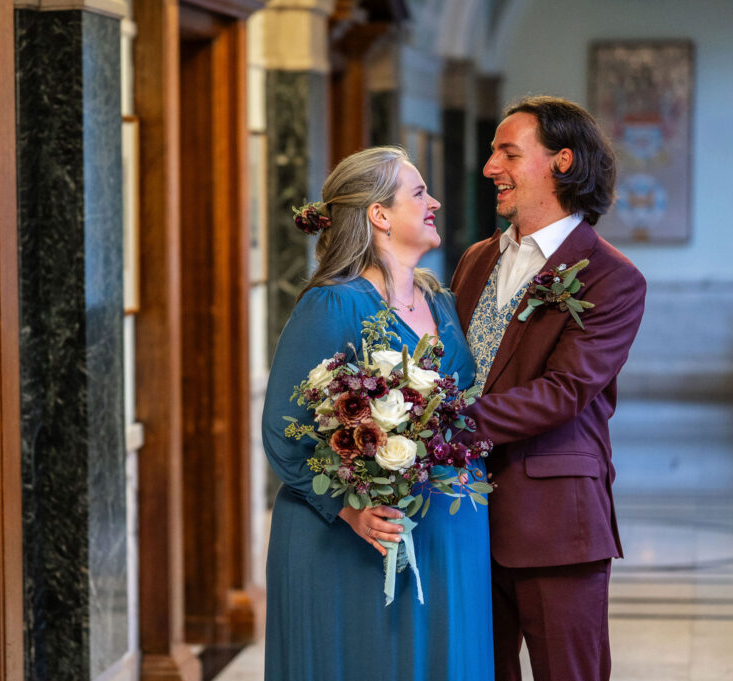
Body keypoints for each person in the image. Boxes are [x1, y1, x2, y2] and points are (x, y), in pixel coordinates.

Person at [262, 146, 493, 681]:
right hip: (353, 540)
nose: (434, 201)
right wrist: (351, 511)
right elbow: (284, 429)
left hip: (448, 533)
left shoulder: (442, 302)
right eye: (418, 192)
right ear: (379, 214)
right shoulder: (333, 304)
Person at [451, 95, 647, 681]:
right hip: (460, 516)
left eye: (508, 153)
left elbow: (564, 391)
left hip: (554, 524)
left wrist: (441, 425)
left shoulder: (612, 277)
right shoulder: (476, 259)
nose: (490, 168)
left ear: (562, 162)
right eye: (491, 153)